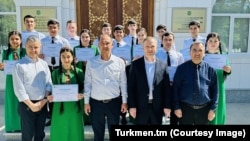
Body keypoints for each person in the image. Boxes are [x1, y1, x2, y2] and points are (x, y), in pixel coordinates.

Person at [84, 34, 127, 141]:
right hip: (96, 103)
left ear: (112, 45)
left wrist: (124, 101)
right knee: (98, 134)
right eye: (102, 43)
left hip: (114, 102)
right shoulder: (91, 62)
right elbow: (87, 83)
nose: (105, 46)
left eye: (107, 43)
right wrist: (86, 102)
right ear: (98, 45)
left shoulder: (119, 62)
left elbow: (123, 83)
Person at [12, 35, 52, 141]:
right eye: (30, 47)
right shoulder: (19, 65)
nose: (33, 50)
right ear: (25, 46)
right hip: (26, 106)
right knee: (27, 135)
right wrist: (32, 105)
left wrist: (43, 101)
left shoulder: (43, 64)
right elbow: (19, 89)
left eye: (36, 47)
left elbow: (49, 83)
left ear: (40, 47)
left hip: (42, 104)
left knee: (40, 134)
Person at [127, 36, 171, 125]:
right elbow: (131, 87)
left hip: (157, 107)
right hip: (140, 106)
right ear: (143, 48)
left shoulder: (163, 64)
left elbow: (166, 88)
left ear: (157, 47)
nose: (150, 49)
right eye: (147, 46)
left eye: (152, 46)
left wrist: (167, 106)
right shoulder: (136, 65)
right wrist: (132, 106)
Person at [173, 41, 218, 125]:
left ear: (204, 53)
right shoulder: (181, 69)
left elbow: (215, 91)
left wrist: (213, 109)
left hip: (204, 111)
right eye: (194, 50)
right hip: (185, 110)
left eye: (200, 50)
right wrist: (176, 107)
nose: (197, 53)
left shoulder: (210, 70)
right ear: (190, 52)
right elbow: (175, 89)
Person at [47, 47, 85, 141]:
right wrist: (50, 96)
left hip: (75, 107)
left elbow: (84, 87)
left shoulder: (79, 72)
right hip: (60, 107)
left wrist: (81, 94)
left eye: (68, 57)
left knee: (74, 129)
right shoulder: (55, 73)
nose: (66, 59)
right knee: (60, 130)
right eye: (63, 57)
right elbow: (53, 88)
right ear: (60, 58)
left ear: (73, 58)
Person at [40, 18, 70, 126]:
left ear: (58, 28)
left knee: (60, 91)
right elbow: (39, 55)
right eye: (50, 27)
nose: (53, 29)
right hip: (47, 68)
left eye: (55, 27)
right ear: (48, 29)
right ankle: (51, 116)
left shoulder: (64, 41)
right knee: (49, 92)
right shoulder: (43, 41)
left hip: (59, 69)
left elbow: (68, 56)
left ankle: (61, 113)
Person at [156, 31, 184, 125]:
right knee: (160, 111)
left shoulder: (179, 56)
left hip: (174, 87)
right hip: (160, 87)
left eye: (170, 40)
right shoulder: (156, 54)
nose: (168, 42)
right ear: (162, 41)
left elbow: (181, 73)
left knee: (174, 113)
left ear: (173, 41)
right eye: (166, 40)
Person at [0, 31, 26, 132]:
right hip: (10, 80)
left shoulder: (24, 51)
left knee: (22, 101)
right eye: (12, 39)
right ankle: (11, 126)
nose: (14, 41)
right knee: (11, 102)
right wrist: (1, 67)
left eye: (17, 39)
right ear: (9, 40)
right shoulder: (6, 52)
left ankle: (22, 125)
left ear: (20, 40)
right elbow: (4, 66)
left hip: (22, 80)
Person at [73, 29, 99, 125]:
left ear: (90, 38)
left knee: (91, 96)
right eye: (83, 37)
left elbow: (99, 61)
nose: (85, 39)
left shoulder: (95, 49)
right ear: (80, 38)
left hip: (92, 76)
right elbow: (71, 62)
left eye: (87, 37)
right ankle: (82, 118)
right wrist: (74, 62)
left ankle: (90, 118)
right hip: (80, 74)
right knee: (82, 95)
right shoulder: (76, 49)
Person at [205, 32, 231, 125]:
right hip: (205, 87)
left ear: (219, 43)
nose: (213, 43)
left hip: (219, 86)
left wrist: (228, 70)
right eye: (210, 41)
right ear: (206, 43)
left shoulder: (223, 57)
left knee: (218, 108)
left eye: (215, 41)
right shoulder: (202, 56)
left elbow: (227, 71)